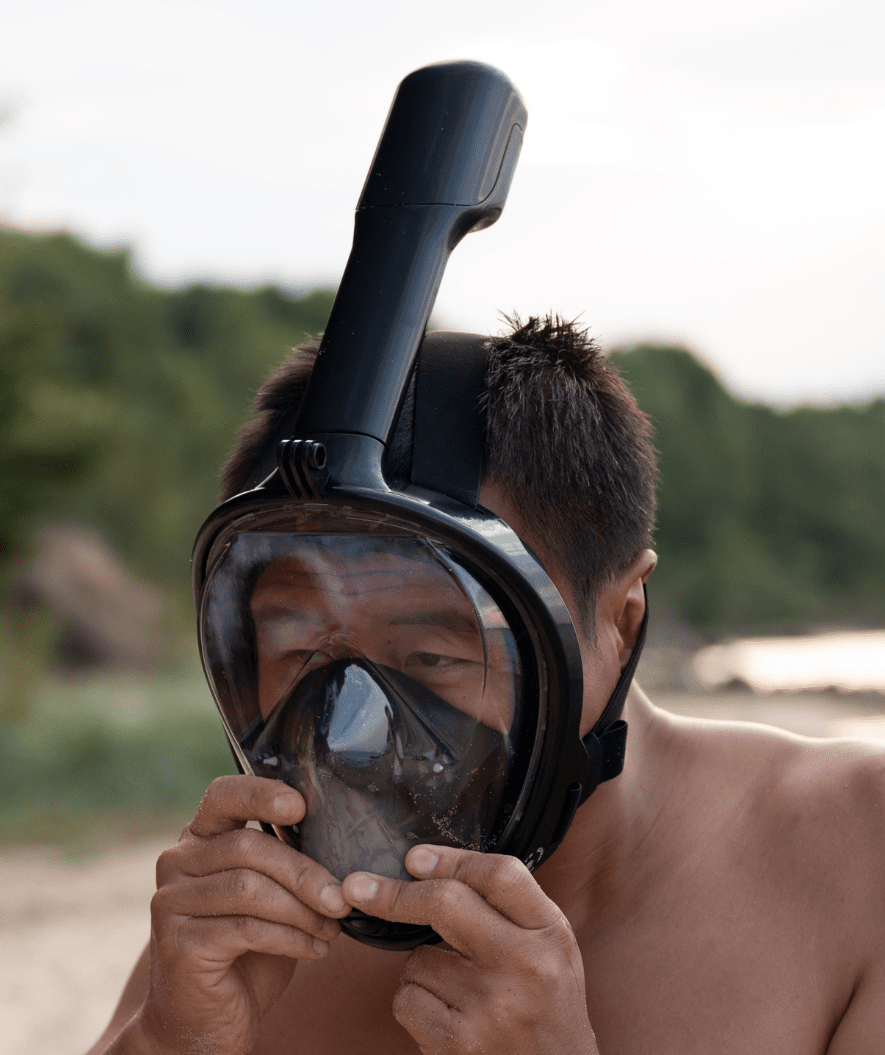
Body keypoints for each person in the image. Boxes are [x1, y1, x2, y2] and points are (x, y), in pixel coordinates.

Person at [88, 315, 885, 1055]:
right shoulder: (250, 928)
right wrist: (165, 1040)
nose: (351, 732)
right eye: (299, 652)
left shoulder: (855, 856)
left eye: (432, 656)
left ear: (620, 620)